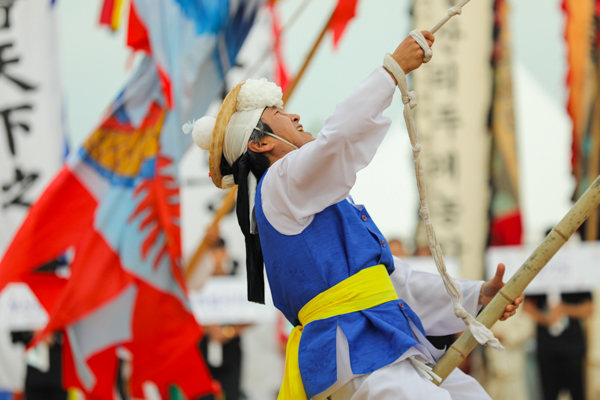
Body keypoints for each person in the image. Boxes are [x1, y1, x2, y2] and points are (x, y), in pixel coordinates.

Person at [185, 31, 523, 399]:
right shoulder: (277, 185)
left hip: (378, 347)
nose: (295, 115)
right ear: (261, 143)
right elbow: (338, 140)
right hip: (355, 353)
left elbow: (395, 283)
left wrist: (476, 296)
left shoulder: (317, 200)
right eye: (280, 113)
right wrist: (391, 71)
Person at [523, 291, 593, 400]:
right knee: (549, 393)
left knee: (577, 392)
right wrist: (544, 318)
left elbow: (589, 307)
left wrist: (564, 309)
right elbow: (526, 306)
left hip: (573, 347)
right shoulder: (537, 284)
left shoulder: (576, 279)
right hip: (546, 347)